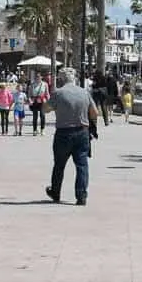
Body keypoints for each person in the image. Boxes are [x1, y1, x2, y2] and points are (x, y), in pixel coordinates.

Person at [44, 68, 97, 206]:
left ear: (62, 79)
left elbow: (45, 109)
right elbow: (94, 112)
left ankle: (55, 192)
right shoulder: (84, 93)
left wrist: (57, 108)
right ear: (74, 79)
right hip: (82, 133)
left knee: (59, 165)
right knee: (82, 165)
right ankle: (81, 196)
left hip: (63, 133)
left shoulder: (58, 93)